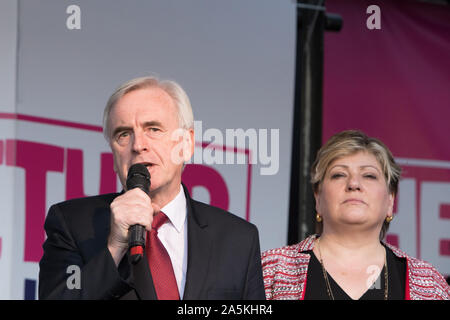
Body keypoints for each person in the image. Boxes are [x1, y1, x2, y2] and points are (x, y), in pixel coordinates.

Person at [39, 76, 265, 300]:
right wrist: (114, 248)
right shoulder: (72, 224)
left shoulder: (238, 240)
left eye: (154, 129)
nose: (138, 145)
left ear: (186, 144)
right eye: (123, 134)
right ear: (113, 152)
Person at [262, 130, 450, 300]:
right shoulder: (270, 271)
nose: (353, 184)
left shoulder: (430, 283)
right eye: (339, 175)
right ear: (318, 198)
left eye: (369, 175)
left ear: (391, 201)